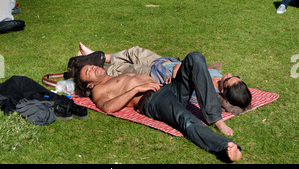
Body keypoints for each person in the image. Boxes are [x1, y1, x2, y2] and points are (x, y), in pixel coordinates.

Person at [75, 51, 243, 162]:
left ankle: (215, 117)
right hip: (153, 100)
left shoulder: (114, 74)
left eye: (91, 66)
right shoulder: (99, 90)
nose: (93, 68)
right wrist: (136, 90)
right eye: (88, 72)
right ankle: (223, 147)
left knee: (194, 58)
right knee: (185, 119)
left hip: (166, 87)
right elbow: (107, 107)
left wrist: (167, 82)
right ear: (89, 85)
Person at [75, 43, 252, 111]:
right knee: (134, 51)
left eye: (228, 79)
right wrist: (179, 65)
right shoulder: (217, 75)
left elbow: (181, 87)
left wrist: (177, 73)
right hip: (163, 62)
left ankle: (91, 66)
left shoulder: (205, 90)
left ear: (223, 89)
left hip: (153, 75)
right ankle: (98, 56)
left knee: (118, 69)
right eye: (233, 75)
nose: (227, 74)